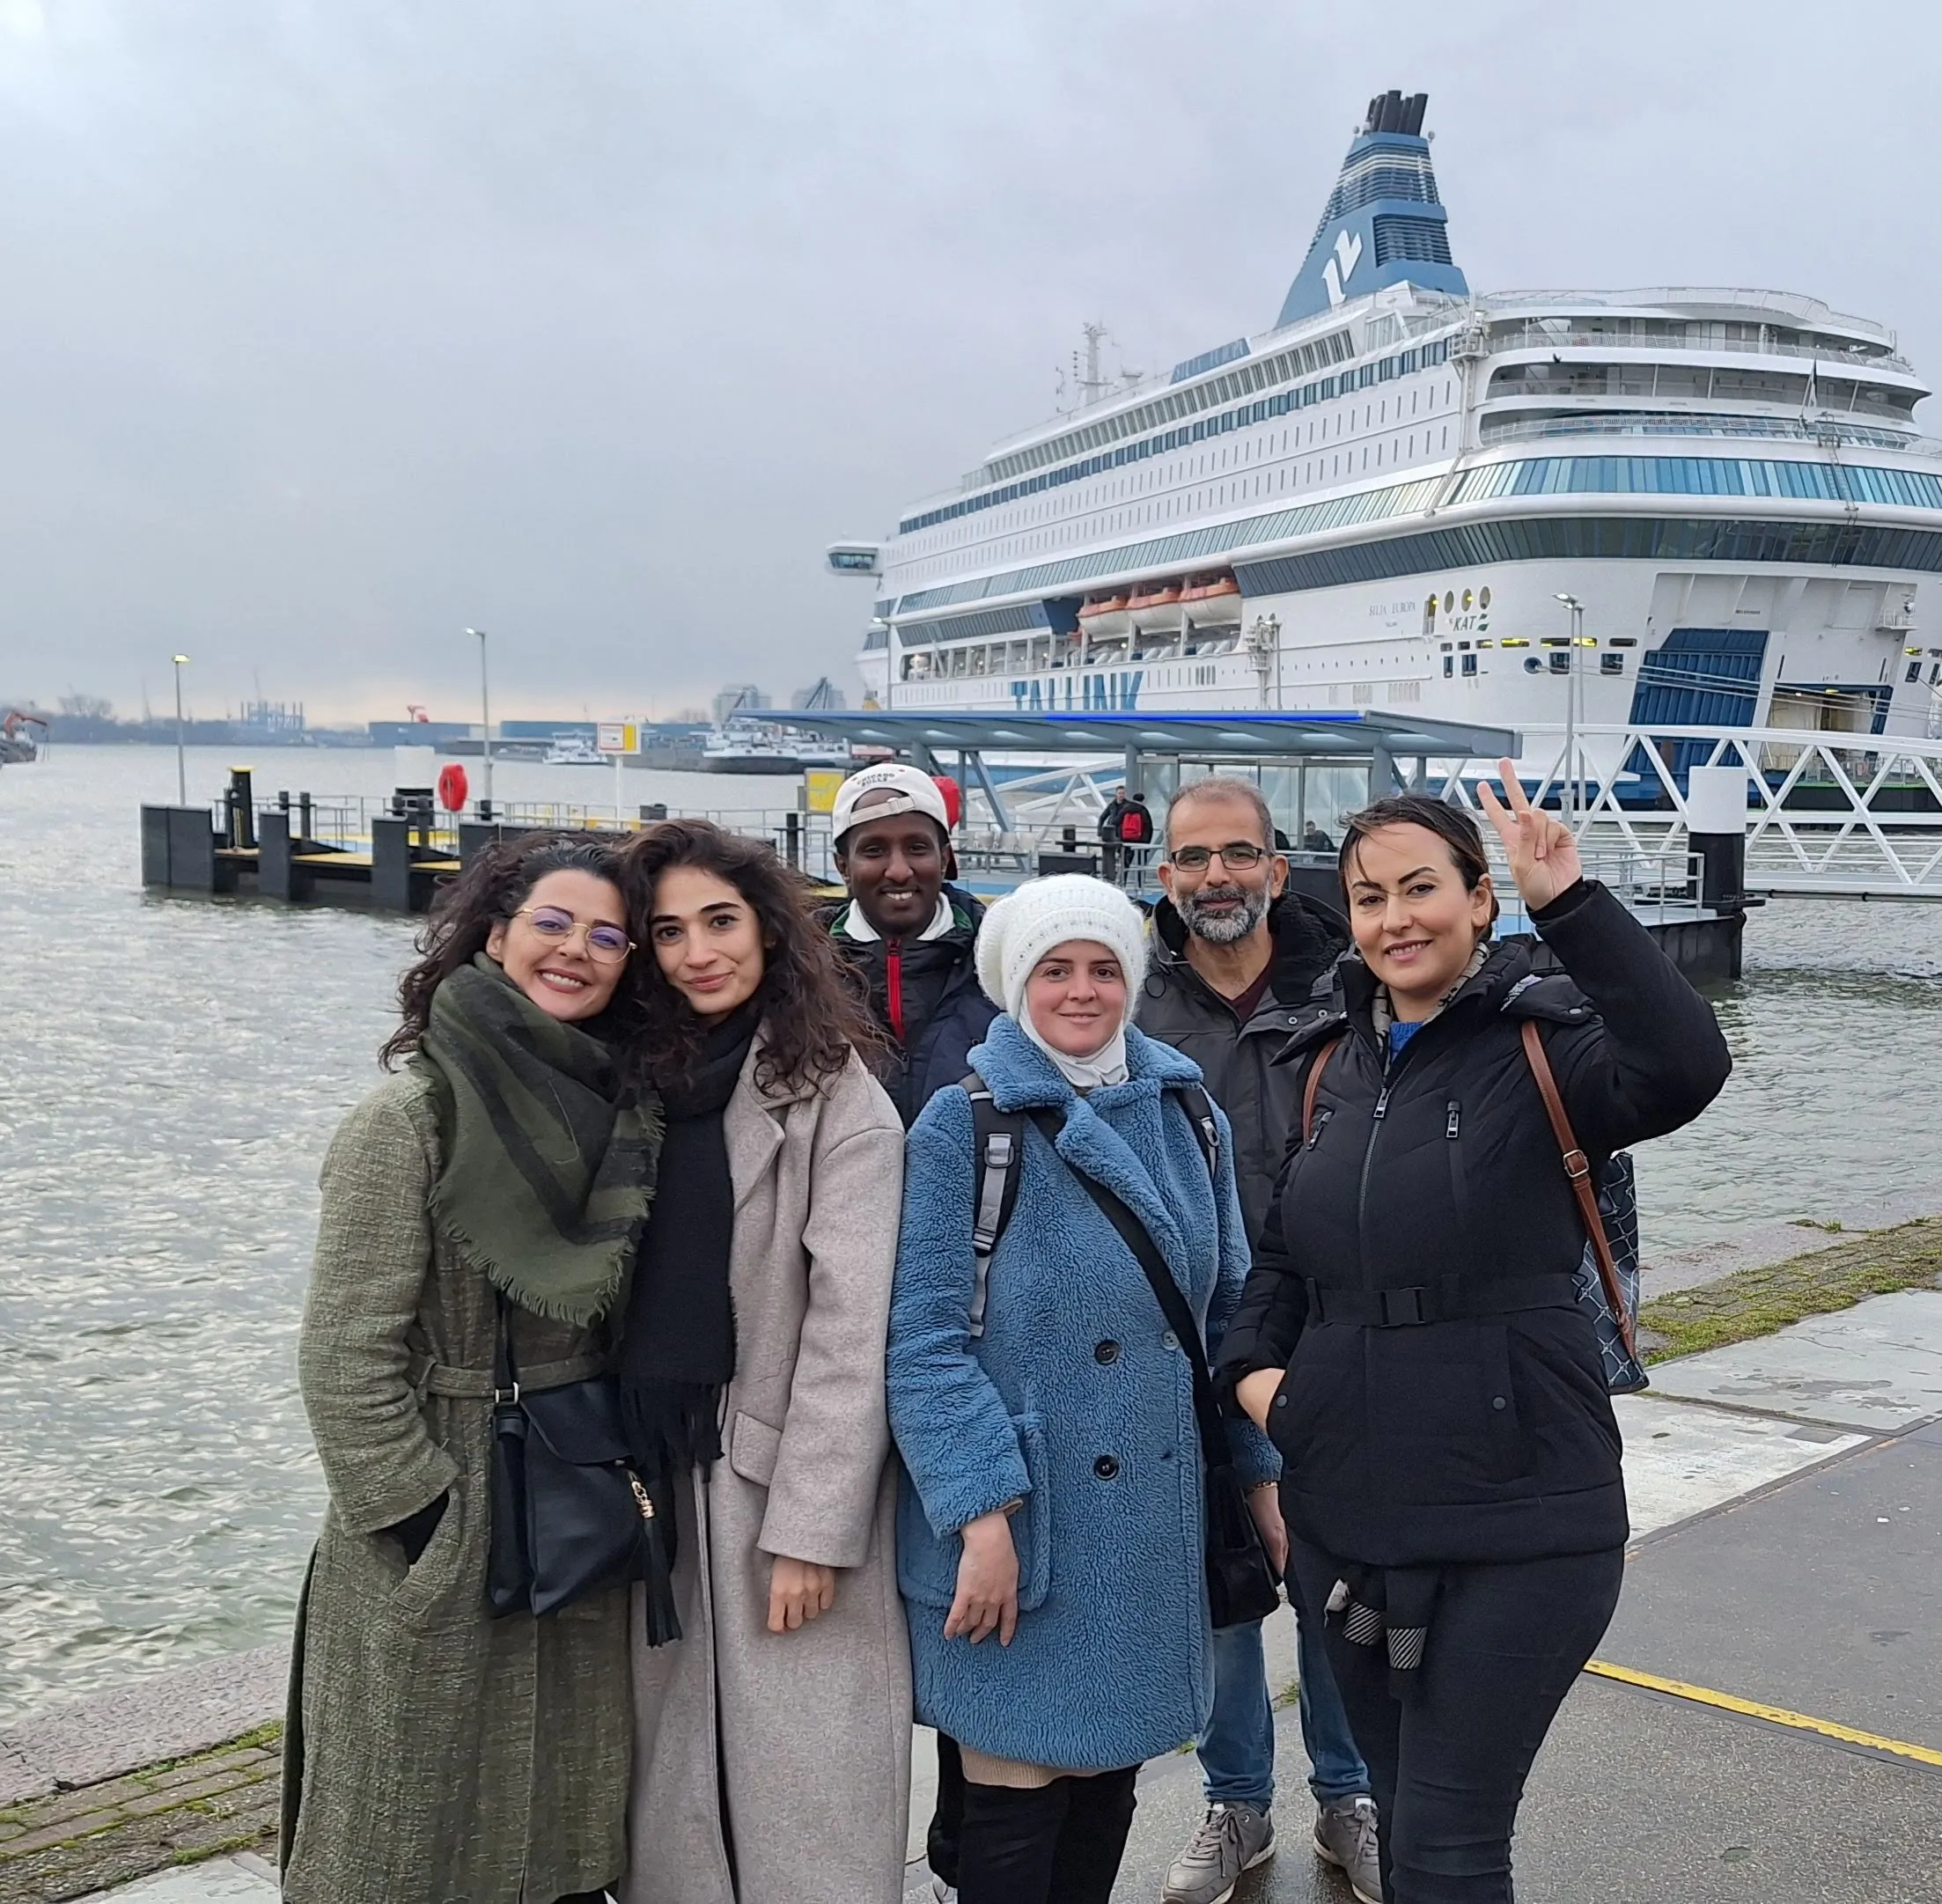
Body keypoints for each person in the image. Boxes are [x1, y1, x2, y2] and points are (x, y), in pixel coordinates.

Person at [1219, 774, 1732, 1904]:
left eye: (1421, 889)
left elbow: (1685, 1065)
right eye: (1368, 898)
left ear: (1478, 901)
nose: (1394, 920)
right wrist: (1266, 1388)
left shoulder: (1546, 1048)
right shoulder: (1327, 1067)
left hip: (1521, 1519)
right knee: (1403, 1829)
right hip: (1351, 1517)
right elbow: (1281, 1267)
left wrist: (1572, 903)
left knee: (1451, 1845)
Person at [889, 875, 1280, 1904]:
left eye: (1103, 968)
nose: (1081, 990)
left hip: (1149, 1522)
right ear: (1015, 984)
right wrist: (981, 1518)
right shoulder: (963, 1126)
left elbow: (1229, 1318)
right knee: (1014, 1797)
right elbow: (923, 1346)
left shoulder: (1188, 1113)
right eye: (1054, 969)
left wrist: (1262, 1480)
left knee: (1108, 1786)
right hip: (1025, 1523)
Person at [283, 834, 658, 1904]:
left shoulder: (623, 1117)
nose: (576, 951)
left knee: (561, 1819)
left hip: (573, 1499)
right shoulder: (409, 1118)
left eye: (607, 937)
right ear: (495, 936)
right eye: (552, 923)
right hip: (449, 1501)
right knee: (406, 1826)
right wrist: (423, 1521)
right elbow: (344, 1354)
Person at [615, 818, 912, 1904]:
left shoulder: (836, 1094)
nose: (698, 953)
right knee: (673, 1803)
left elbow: (851, 1328)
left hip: (768, 1480)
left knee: (805, 1806)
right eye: (669, 931)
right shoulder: (627, 1081)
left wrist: (812, 1533)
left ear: (769, 931)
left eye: (720, 922)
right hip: (647, 1476)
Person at [1140, 778, 1379, 1904]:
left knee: (1336, 1573)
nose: (1217, 877)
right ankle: (1235, 1800)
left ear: (1278, 870)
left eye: (1238, 854)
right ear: (1164, 876)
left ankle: (1350, 1794)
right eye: (1194, 858)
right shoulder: (1133, 1003)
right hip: (1188, 1338)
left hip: (1332, 1327)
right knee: (1225, 1586)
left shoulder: (1348, 987)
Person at [822, 761, 998, 1128]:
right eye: (874, 851)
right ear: (843, 867)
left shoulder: (1001, 961)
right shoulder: (798, 969)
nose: (899, 871)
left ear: (944, 858)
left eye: (917, 848)